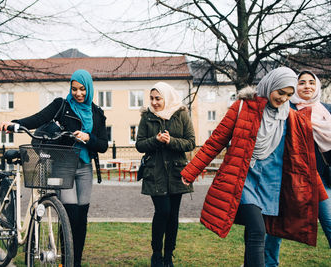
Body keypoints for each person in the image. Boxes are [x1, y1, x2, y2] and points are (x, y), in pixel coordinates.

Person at [180, 67, 328, 267]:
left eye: (289, 95)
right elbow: (215, 141)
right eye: (280, 92)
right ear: (270, 86)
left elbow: (304, 161)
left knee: (254, 233)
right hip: (245, 180)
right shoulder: (243, 108)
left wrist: (318, 192)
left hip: (271, 186)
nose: (284, 98)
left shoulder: (291, 118)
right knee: (258, 230)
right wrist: (191, 171)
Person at [0, 69, 108, 267]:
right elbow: (37, 119)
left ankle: (75, 263)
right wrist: (14, 124)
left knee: (81, 218)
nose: (78, 93)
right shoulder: (61, 106)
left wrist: (88, 138)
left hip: (84, 168)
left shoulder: (97, 114)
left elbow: (103, 145)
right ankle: (67, 261)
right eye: (74, 89)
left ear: (89, 89)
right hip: (63, 165)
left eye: (82, 89)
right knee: (70, 214)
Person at [264, 70, 331, 267]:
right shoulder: (286, 109)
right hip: (292, 180)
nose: (307, 86)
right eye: (302, 83)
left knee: (329, 222)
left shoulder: (327, 111)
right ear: (295, 87)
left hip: (322, 180)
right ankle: (269, 264)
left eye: (311, 82)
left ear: (317, 86)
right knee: (278, 227)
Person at [135, 82, 196, 267]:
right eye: (152, 98)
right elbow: (140, 145)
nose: (154, 102)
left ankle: (168, 255)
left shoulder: (181, 114)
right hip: (155, 172)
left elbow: (191, 142)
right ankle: (156, 254)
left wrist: (171, 141)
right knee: (163, 211)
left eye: (158, 98)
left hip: (177, 172)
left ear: (166, 98)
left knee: (173, 214)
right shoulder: (146, 117)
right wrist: (155, 140)